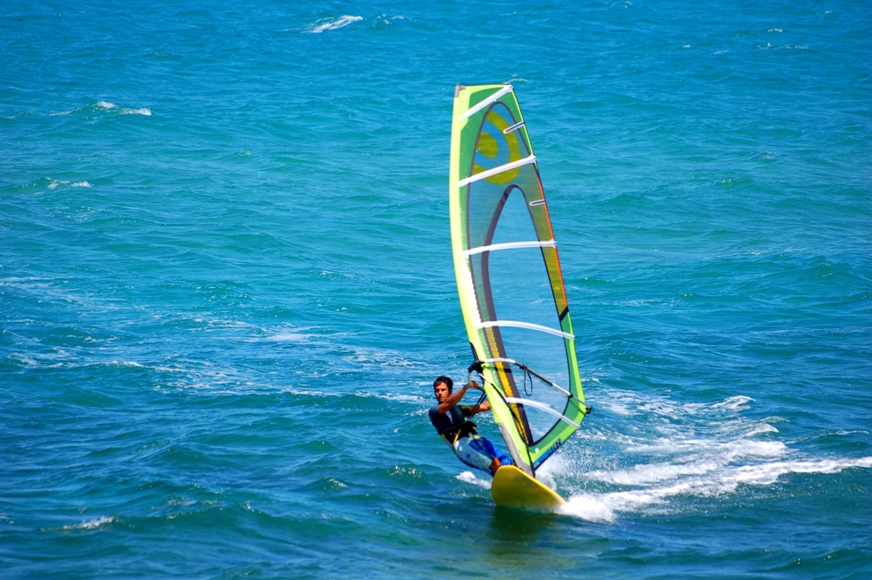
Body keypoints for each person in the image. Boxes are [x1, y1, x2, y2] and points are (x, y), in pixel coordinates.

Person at [428, 375, 513, 476]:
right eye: (437, 390)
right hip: (462, 447)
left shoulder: (458, 409)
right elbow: (448, 403)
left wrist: (506, 399)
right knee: (495, 464)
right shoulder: (434, 412)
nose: (440, 393)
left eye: (443, 390)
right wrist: (466, 387)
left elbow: (484, 406)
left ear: (450, 391)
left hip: (476, 440)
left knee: (507, 463)